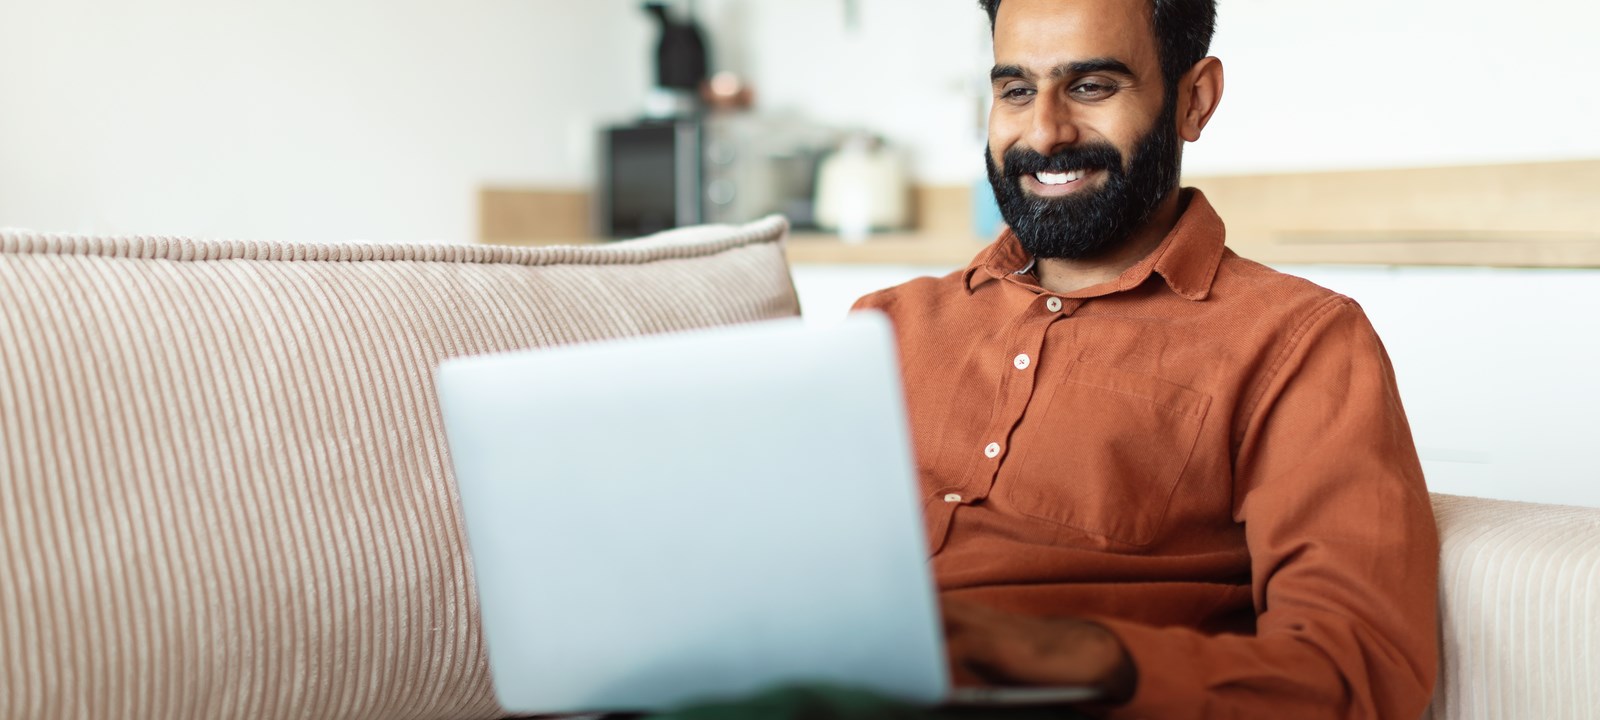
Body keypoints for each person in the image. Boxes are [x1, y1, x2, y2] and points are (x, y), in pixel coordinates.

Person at [658, 0, 1439, 717]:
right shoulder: (886, 326)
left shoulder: (1299, 341)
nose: (1044, 134)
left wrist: (1046, 650)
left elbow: (1359, 673)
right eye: (1016, 91)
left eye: (1092, 86)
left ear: (1194, 99)